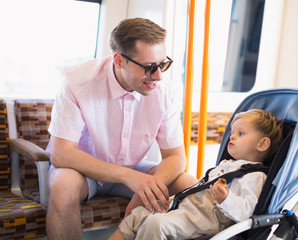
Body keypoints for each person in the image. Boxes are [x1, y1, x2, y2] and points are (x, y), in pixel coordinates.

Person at [46, 18, 195, 240]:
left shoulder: (165, 90)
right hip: (82, 171)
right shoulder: (77, 81)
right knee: (63, 186)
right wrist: (130, 178)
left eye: (163, 64)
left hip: (135, 168)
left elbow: (175, 157)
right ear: (118, 61)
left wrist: (145, 187)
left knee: (189, 185)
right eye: (149, 68)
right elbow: (61, 153)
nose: (159, 76)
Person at [108, 109, 284, 240]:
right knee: (138, 215)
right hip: (190, 209)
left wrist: (226, 199)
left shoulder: (255, 176)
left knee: (155, 225)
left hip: (211, 218)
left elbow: (247, 212)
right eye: (232, 132)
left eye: (241, 133)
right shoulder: (226, 165)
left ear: (262, 144)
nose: (232, 137)